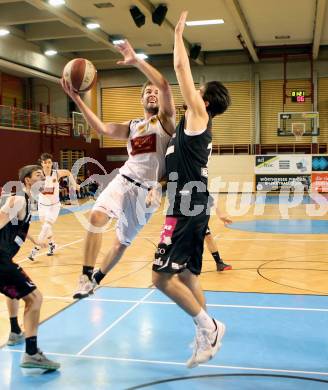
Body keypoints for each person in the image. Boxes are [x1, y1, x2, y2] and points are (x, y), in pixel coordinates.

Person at [61, 39, 176, 299]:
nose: (152, 94)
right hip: (124, 180)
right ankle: (84, 275)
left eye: (154, 92)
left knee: (121, 242)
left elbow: (165, 85)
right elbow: (101, 128)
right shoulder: (133, 125)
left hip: (147, 192)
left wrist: (136, 61)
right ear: (141, 99)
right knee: (95, 218)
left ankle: (96, 279)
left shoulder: (166, 122)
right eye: (147, 92)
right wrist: (77, 99)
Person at [152, 11, 231, 368]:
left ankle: (209, 326)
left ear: (206, 102)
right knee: (186, 275)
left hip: (188, 207)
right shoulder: (186, 129)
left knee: (160, 278)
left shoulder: (200, 118)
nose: (193, 92)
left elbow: (181, 71)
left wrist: (178, 34)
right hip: (181, 206)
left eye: (199, 92)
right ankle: (205, 333)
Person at [0, 165, 60, 370]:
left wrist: (35, 239)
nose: (43, 179)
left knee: (17, 292)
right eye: (38, 176)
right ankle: (31, 353)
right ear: (27, 180)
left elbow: (15, 228)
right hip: (0, 260)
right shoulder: (17, 200)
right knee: (35, 298)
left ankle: (16, 331)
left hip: (5, 261)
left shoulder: (27, 202)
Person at [28, 153, 79, 260]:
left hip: (54, 206)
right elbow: (43, 191)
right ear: (41, 163)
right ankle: (52, 244)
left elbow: (69, 173)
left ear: (52, 163)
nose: (47, 164)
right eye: (45, 162)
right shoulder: (37, 176)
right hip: (42, 205)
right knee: (46, 228)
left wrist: (74, 184)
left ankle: (35, 250)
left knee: (46, 226)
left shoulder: (56, 173)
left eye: (49, 162)